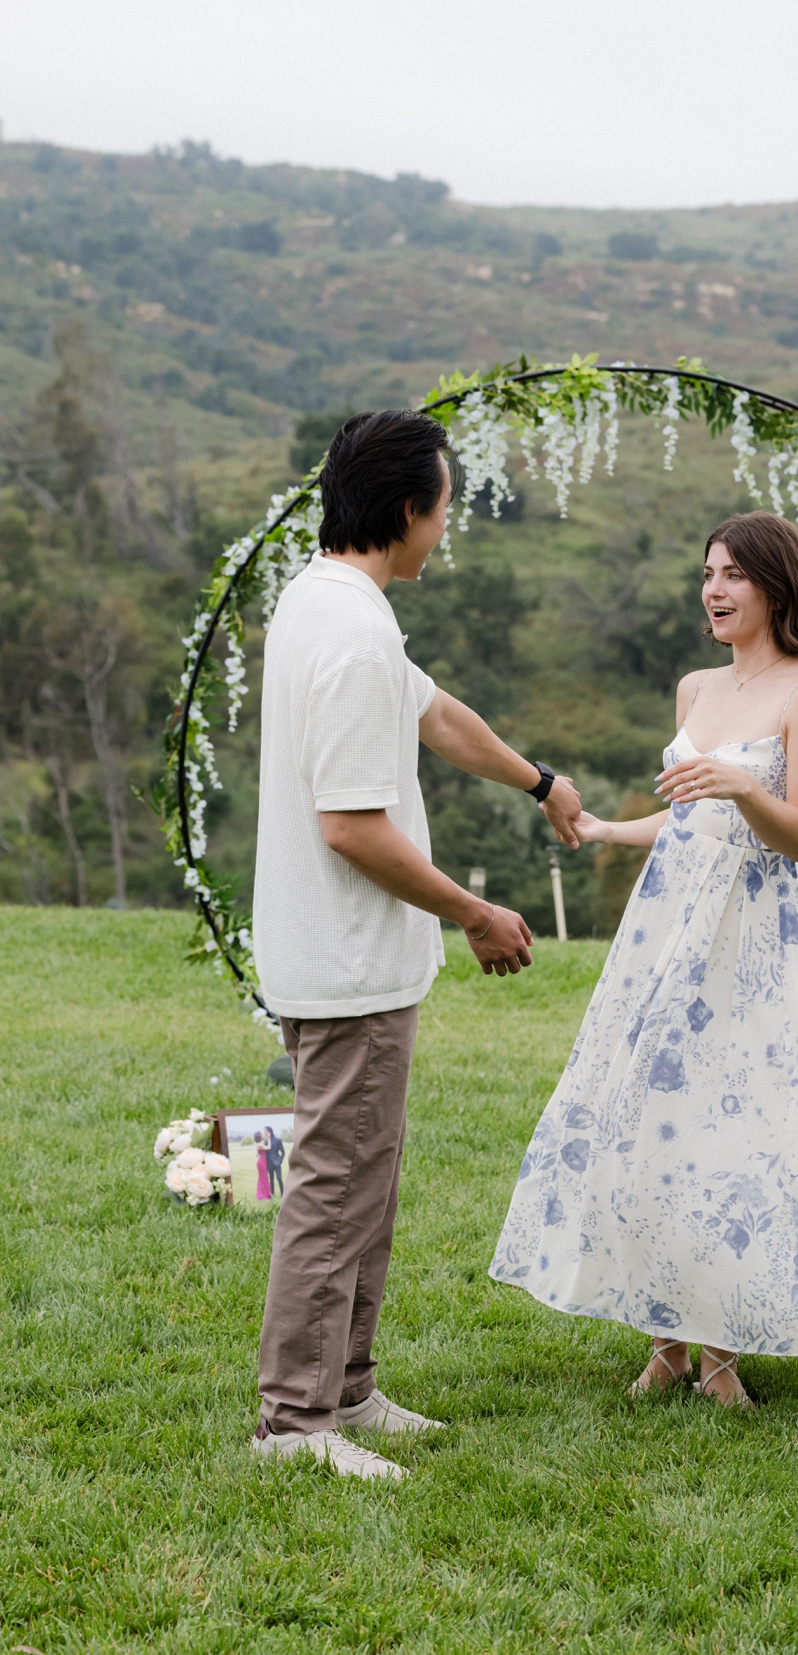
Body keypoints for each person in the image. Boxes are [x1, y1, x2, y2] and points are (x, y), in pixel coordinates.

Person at [490, 511, 798, 1409]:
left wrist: (745, 782)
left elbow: (795, 835)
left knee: (739, 1132)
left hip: (753, 939)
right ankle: (670, 1340)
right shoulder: (694, 689)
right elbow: (690, 818)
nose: (714, 590)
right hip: (664, 932)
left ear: (777, 587)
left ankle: (721, 1347)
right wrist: (610, 827)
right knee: (655, 1120)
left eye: (734, 575)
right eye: (707, 572)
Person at [251, 408, 583, 1481]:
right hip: (345, 965)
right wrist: (475, 914)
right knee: (334, 1187)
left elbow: (437, 717)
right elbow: (350, 828)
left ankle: (347, 1390)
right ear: (409, 510)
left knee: (365, 1183)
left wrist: (538, 782)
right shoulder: (347, 631)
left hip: (356, 963)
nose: (447, 531)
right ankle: (296, 1425)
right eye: (445, 510)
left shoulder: (332, 604)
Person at [265, 1126, 286, 1198]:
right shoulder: (266, 1141)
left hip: (277, 1163)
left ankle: (283, 1194)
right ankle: (272, 1194)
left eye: (266, 1131)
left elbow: (283, 1152)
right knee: (271, 1179)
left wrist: (280, 1160)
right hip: (269, 1163)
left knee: (279, 1178)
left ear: (269, 1131)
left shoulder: (278, 1140)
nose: (265, 1133)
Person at [254, 1133, 272, 1202]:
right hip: (261, 1163)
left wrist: (266, 1136)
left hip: (262, 1162)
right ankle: (263, 1196)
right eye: (261, 1134)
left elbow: (258, 1153)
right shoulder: (260, 1144)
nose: (262, 1135)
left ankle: (265, 1194)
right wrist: (269, 1138)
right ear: (259, 1137)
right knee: (263, 1179)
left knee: (263, 1178)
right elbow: (268, 1147)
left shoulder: (260, 1143)